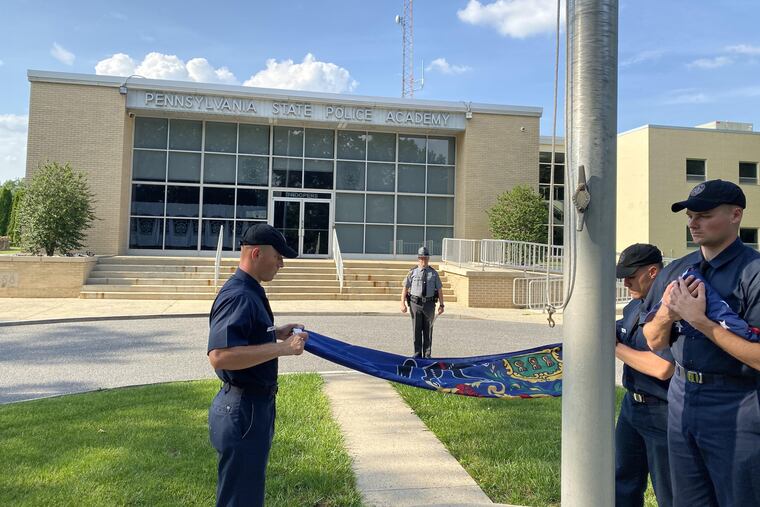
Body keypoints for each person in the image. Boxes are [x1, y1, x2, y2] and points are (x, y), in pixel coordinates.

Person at [642, 179, 760, 507]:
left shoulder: (754, 273)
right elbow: (653, 340)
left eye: (704, 215)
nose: (694, 222)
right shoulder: (678, 270)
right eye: (690, 215)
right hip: (681, 397)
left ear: (736, 215)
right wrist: (667, 311)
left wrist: (699, 321)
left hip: (737, 401)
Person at [207, 223, 308, 507]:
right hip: (243, 410)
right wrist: (283, 348)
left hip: (250, 407)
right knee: (241, 498)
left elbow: (243, 336)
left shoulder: (249, 289)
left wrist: (275, 332)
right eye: (278, 256)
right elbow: (220, 355)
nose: (281, 265)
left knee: (245, 492)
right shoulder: (239, 294)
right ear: (256, 254)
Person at [614, 243, 673, 507]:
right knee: (622, 483)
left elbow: (662, 367)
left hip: (663, 411)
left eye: (630, 275)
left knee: (669, 491)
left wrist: (613, 347)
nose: (625, 281)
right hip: (632, 407)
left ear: (652, 272)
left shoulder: (670, 309)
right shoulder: (633, 306)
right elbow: (620, 331)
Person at [401, 246, 445, 358]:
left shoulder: (433, 273)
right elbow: (405, 288)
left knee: (428, 330)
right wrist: (402, 303)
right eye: (421, 258)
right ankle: (417, 354)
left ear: (428, 259)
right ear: (418, 258)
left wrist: (441, 305)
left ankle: (427, 354)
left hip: (429, 304)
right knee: (416, 330)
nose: (423, 260)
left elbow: (439, 289)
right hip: (415, 304)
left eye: (425, 258)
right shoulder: (412, 272)